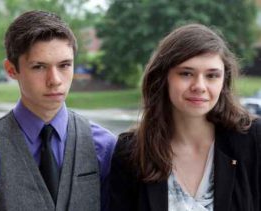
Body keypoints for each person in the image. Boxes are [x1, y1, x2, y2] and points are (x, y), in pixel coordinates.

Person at [0, 10, 116, 211]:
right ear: (11, 70)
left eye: (64, 65)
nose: (55, 80)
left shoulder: (104, 146)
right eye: (39, 67)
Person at [109, 23, 261, 211]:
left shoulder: (252, 139)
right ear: (163, 78)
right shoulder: (131, 152)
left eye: (212, 75)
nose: (199, 86)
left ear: (224, 81)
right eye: (186, 73)